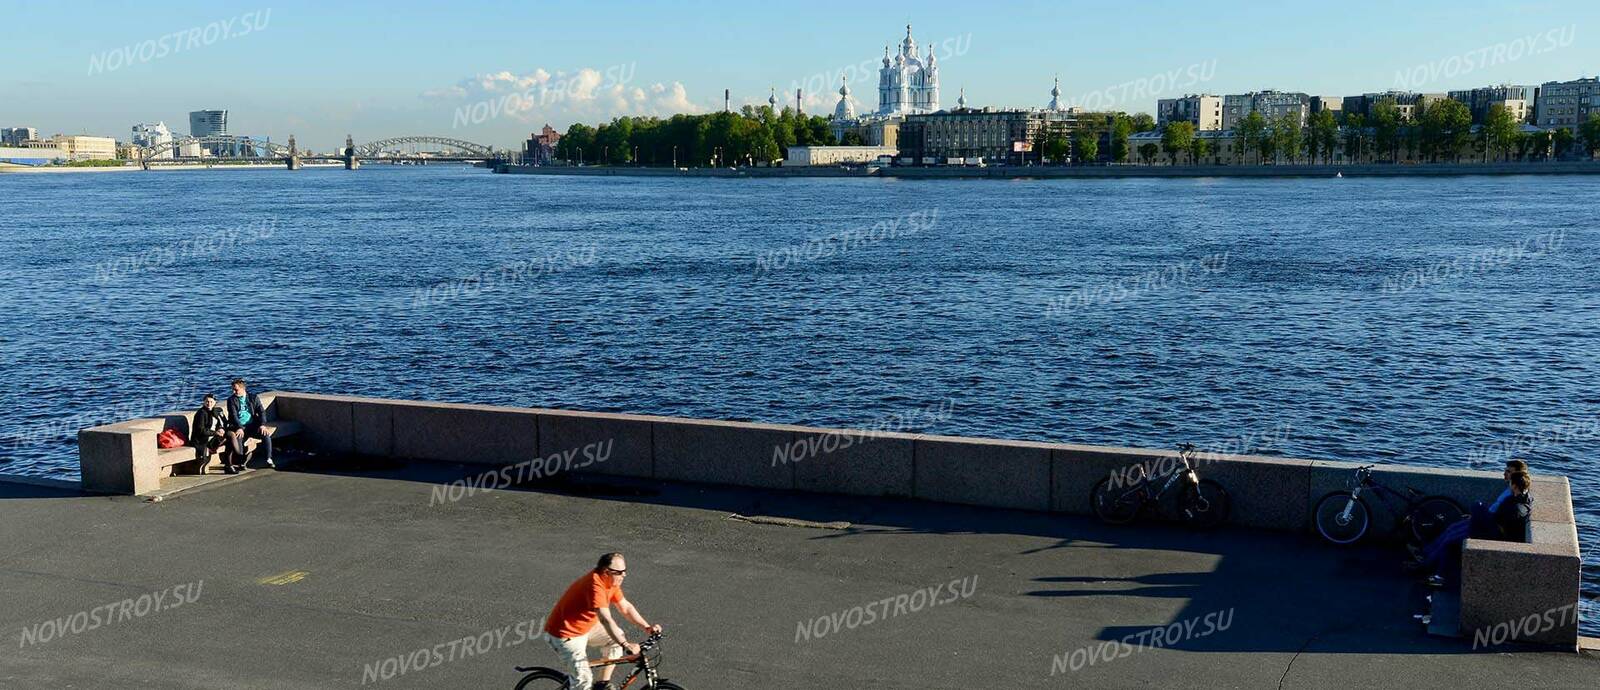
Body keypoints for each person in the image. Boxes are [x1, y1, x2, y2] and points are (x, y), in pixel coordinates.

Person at [544, 553, 662, 690]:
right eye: (620, 572)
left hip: (585, 628)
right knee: (583, 681)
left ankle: (602, 685)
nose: (624, 575)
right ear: (606, 572)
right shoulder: (595, 586)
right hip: (565, 635)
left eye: (625, 571)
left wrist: (647, 627)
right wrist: (625, 645)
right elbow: (605, 619)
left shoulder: (611, 582)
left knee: (615, 640)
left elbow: (625, 607)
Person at [1409, 464, 1533, 583]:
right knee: (1452, 529)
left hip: (1493, 534)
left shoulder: (1516, 506)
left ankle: (1433, 571)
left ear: (1515, 486)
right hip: (1489, 527)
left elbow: (1503, 524)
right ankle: (1427, 558)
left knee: (1451, 540)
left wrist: (1480, 516)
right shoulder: (1519, 498)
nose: (1508, 482)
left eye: (1511, 481)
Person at [225, 379, 273, 470]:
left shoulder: (253, 398)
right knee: (238, 438)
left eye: (236, 390)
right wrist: (239, 427)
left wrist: (262, 424)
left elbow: (261, 411)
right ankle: (241, 462)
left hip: (252, 425)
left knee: (266, 434)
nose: (234, 392)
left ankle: (268, 459)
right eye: (233, 389)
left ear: (243, 389)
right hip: (239, 426)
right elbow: (233, 416)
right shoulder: (231, 400)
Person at [192, 394, 232, 473]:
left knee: (231, 438)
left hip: (214, 436)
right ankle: (229, 465)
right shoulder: (201, 413)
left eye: (211, 402)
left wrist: (221, 429)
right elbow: (201, 430)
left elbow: (224, 423)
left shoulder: (216, 411)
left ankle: (229, 464)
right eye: (207, 402)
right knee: (228, 438)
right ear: (203, 402)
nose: (209, 404)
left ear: (215, 402)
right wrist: (215, 433)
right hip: (202, 439)